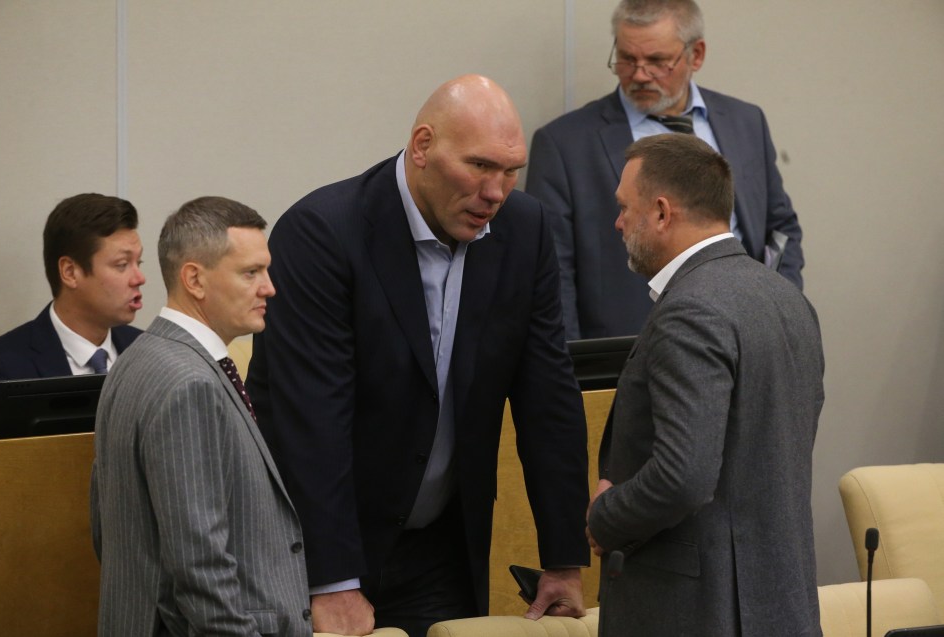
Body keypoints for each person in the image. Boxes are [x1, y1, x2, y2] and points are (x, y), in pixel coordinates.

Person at [246, 75, 590, 637]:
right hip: (324, 548)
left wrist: (562, 557)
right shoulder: (322, 234)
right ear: (423, 146)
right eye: (480, 166)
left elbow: (548, 397)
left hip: (439, 546)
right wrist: (332, 583)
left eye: (510, 171)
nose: (496, 192)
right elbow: (312, 422)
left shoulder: (524, 231)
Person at [586, 134, 824, 636]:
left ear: (662, 212)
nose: (618, 222)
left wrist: (604, 518)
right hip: (782, 606)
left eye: (625, 208)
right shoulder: (788, 301)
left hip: (696, 612)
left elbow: (683, 476)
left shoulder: (689, 310)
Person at [91, 197, 312, 636]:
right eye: (251, 273)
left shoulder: (137, 360)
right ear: (194, 278)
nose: (269, 287)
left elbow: (106, 526)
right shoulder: (187, 382)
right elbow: (199, 566)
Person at [526, 0, 804, 340]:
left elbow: (781, 229)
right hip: (632, 347)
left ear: (696, 55)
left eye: (657, 61)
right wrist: (573, 367)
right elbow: (552, 270)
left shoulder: (747, 122)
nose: (640, 75)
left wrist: (778, 307)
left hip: (749, 336)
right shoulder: (564, 144)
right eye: (627, 59)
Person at [0, 193, 145, 386]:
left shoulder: (148, 352)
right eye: (122, 264)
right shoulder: (1, 368)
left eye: (139, 262)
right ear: (70, 272)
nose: (140, 278)